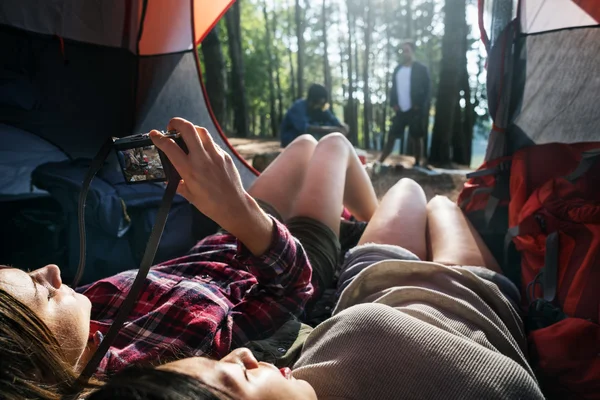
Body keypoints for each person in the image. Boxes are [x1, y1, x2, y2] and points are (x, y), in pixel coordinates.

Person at [0, 117, 377, 399]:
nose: (51, 270)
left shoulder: (84, 309)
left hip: (226, 237)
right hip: (285, 258)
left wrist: (228, 211)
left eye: (30, 272)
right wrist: (242, 212)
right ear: (40, 371)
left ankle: (355, 220)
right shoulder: (160, 367)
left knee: (305, 144)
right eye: (44, 294)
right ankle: (381, 232)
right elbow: (292, 288)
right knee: (333, 145)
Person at [90, 180, 545, 400]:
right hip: (468, 293)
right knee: (442, 202)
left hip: (370, 280)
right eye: (236, 377)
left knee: (408, 189)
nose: (245, 357)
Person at [379, 41, 431, 167]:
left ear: (412, 51)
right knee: (392, 135)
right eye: (403, 51)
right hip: (400, 110)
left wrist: (419, 105)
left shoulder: (421, 69)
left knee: (416, 136)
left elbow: (427, 89)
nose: (404, 53)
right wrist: (394, 104)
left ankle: (417, 163)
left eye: (407, 50)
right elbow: (393, 89)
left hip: (415, 109)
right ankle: (380, 161)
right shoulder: (398, 70)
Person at [280, 84, 348, 147]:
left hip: (310, 139)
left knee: (327, 125)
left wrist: (342, 126)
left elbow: (333, 119)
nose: (321, 106)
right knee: (314, 132)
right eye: (319, 103)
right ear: (312, 100)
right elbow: (304, 128)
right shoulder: (298, 107)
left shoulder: (321, 108)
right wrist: (329, 130)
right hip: (291, 138)